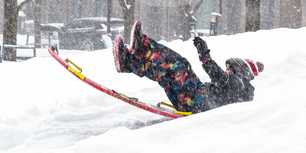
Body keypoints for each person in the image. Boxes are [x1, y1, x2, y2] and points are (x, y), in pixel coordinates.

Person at [112, 22, 263, 114]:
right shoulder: (239, 92)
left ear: (240, 71)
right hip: (193, 104)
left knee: (180, 65)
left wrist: (205, 55)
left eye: (229, 68)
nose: (226, 70)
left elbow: (219, 76)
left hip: (199, 101)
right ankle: (127, 62)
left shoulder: (239, 85)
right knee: (165, 73)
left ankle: (143, 45)